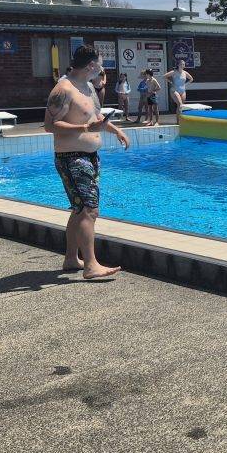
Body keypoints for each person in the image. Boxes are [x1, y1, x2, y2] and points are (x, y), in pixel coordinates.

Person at [44, 45, 130, 279]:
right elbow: (50, 125)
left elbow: (96, 118)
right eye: (100, 63)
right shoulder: (63, 90)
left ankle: (72, 259)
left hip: (90, 156)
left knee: (79, 209)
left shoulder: (89, 87)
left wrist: (115, 130)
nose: (102, 68)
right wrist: (85, 128)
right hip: (72, 157)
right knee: (90, 210)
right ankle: (91, 265)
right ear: (91, 65)